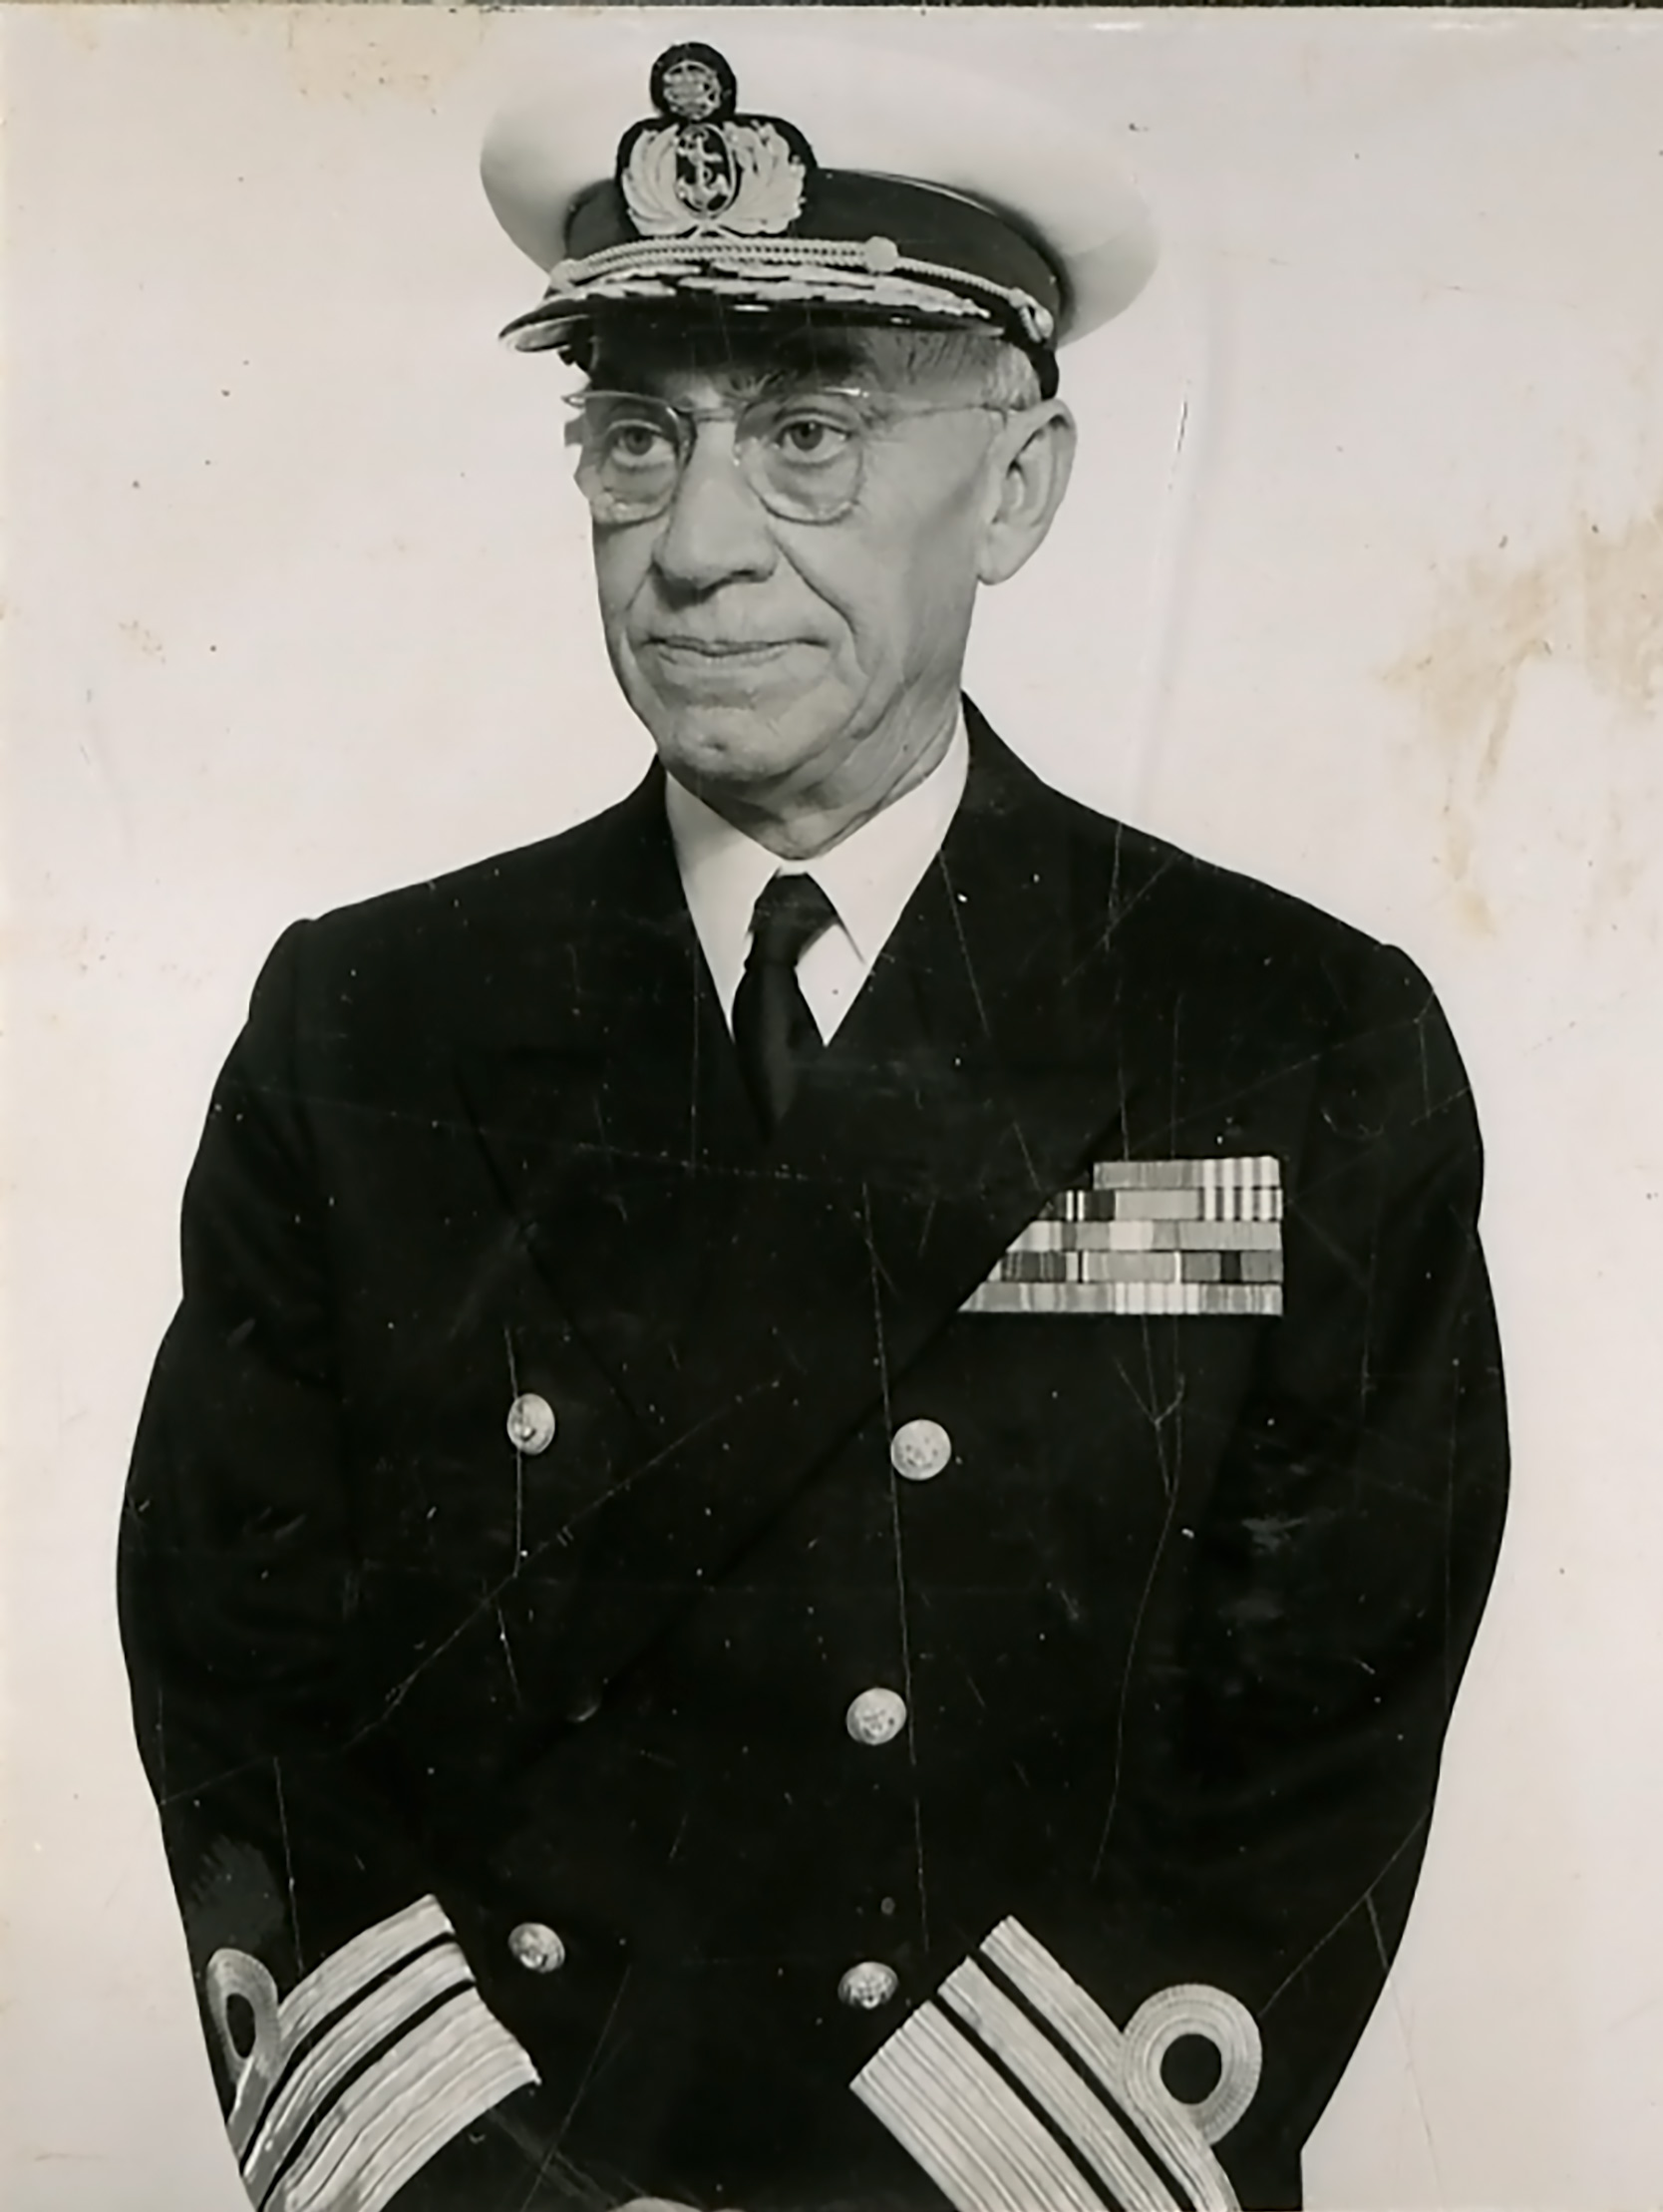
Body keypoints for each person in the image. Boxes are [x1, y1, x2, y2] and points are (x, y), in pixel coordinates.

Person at [118, 39, 1508, 2212]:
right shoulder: (368, 1019)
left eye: (809, 435)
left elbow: (1318, 1733)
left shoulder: (1287, 1039)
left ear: (1020, 490)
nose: (694, 547)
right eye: (636, 435)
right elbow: (242, 1680)